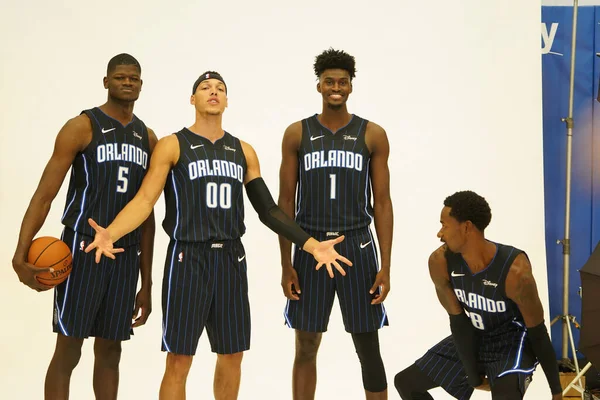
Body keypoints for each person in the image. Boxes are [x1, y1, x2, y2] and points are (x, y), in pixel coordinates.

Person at [84, 71, 352, 400]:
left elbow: (268, 209)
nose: (213, 92)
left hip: (230, 258)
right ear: (193, 99)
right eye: (205, 88)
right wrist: (111, 232)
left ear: (226, 101)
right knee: (180, 358)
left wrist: (311, 246)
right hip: (188, 258)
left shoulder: (243, 150)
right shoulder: (172, 144)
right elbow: (144, 200)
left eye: (220, 89)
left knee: (231, 354)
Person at [11, 53, 157, 400]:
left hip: (123, 255)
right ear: (106, 82)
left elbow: (148, 214)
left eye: (133, 78)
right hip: (81, 249)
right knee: (69, 349)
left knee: (111, 352)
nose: (127, 82)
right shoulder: (82, 126)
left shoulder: (147, 138)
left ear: (141, 85)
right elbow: (44, 195)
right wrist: (20, 253)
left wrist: (146, 282)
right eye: (120, 77)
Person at [278, 48, 393, 400]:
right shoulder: (297, 133)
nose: (336, 87)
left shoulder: (372, 134)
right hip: (310, 247)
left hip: (356, 246)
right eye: (330, 81)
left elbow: (383, 203)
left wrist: (386, 267)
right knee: (306, 344)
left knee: (367, 344)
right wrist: (286, 264)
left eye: (343, 81)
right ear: (319, 86)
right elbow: (284, 203)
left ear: (351, 87)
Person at [394, 190, 563, 400]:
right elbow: (458, 323)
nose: (440, 233)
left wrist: (557, 391)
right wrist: (472, 375)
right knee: (406, 382)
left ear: (466, 227)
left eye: (444, 225)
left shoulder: (515, 272)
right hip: (474, 334)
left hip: (512, 342)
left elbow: (537, 332)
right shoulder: (440, 262)